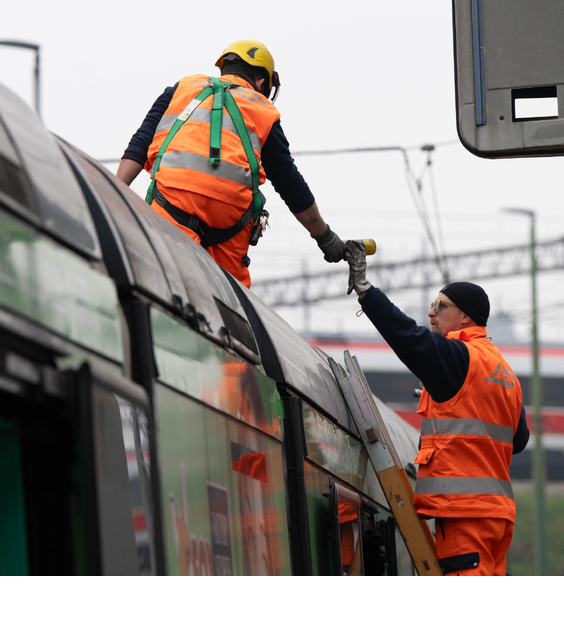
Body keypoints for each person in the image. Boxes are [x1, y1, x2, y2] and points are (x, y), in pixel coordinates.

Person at [344, 240, 530, 576]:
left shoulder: (459, 357)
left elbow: (407, 337)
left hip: (464, 515)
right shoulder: (506, 374)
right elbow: (518, 441)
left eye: (439, 306)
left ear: (464, 316)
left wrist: (365, 290)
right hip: (496, 517)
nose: (431, 312)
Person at [116, 40, 344, 287]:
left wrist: (113, 191)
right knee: (231, 305)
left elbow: (140, 144)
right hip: (228, 228)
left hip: (170, 207)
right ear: (262, 83)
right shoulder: (263, 110)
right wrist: (325, 237)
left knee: (163, 283)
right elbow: (291, 184)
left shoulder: (182, 88)